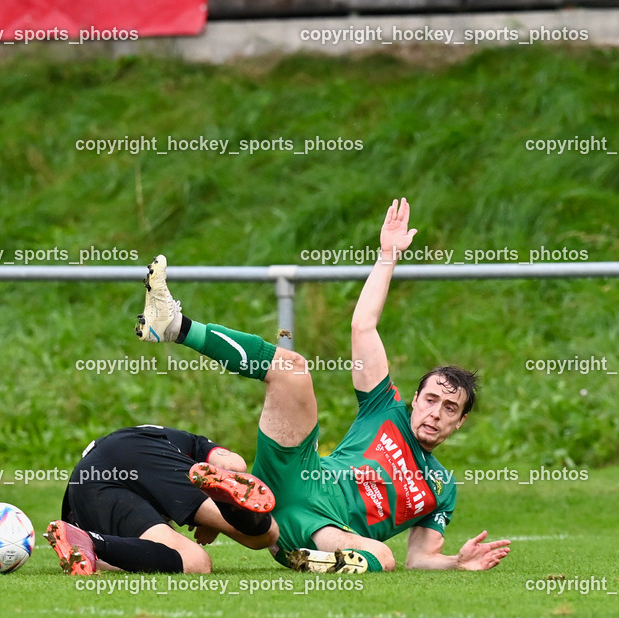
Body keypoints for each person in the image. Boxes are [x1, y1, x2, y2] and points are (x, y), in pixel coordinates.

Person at [132, 198, 511, 573]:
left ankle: (290, 545)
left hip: (326, 530)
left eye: (450, 408)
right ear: (414, 399)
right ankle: (175, 326)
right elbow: (363, 325)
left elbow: (421, 558)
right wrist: (388, 256)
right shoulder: (385, 408)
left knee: (384, 557)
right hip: (298, 473)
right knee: (292, 367)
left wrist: (456, 563)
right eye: (430, 399)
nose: (435, 413)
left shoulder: (442, 486)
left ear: (460, 422)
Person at [45, 424, 279, 575]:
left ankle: (90, 541)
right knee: (266, 536)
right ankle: (231, 506)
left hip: (88, 481)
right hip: (143, 454)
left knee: (195, 562)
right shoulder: (194, 443)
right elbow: (234, 464)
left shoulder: (172, 436)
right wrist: (219, 512)